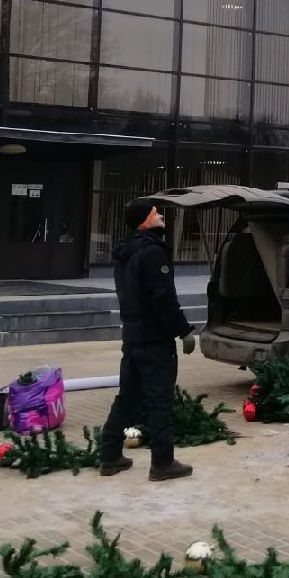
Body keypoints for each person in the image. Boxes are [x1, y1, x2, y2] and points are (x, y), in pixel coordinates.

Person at [99, 198, 198, 481]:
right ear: (145, 220)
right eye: (156, 213)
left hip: (132, 337)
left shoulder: (126, 252)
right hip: (155, 340)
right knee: (160, 401)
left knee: (127, 398)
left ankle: (109, 455)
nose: (162, 216)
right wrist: (184, 330)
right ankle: (163, 463)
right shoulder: (153, 253)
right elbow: (163, 298)